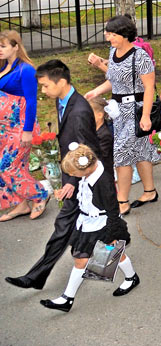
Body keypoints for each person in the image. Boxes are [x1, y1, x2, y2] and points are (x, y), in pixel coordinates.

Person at [4, 61, 101, 290]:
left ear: (62, 82)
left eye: (46, 86)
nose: (43, 91)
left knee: (85, 227)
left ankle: (124, 272)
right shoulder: (63, 100)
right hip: (74, 175)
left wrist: (73, 181)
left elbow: (88, 151)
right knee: (68, 226)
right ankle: (38, 276)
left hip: (83, 179)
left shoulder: (79, 111)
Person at [39, 144, 138, 312]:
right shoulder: (91, 171)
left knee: (114, 254)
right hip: (87, 222)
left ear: (85, 169)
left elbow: (113, 210)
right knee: (82, 260)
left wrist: (112, 234)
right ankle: (67, 299)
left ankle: (131, 277)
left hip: (103, 225)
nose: (72, 176)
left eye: (73, 174)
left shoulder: (103, 182)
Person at [84, 16, 158, 216]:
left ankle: (122, 200)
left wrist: (145, 116)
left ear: (124, 35)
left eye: (112, 34)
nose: (108, 37)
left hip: (136, 110)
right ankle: (150, 191)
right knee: (141, 150)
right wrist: (96, 92)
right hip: (119, 111)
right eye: (108, 34)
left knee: (120, 154)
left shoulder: (140, 56)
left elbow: (149, 87)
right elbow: (113, 81)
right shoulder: (113, 52)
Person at [0, 31, 48, 221]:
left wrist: (28, 131)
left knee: (7, 167)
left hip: (20, 127)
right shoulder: (4, 66)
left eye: (3, 46)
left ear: (16, 47)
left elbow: (31, 101)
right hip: (5, 128)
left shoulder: (25, 70)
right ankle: (20, 204)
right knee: (16, 166)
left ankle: (39, 194)